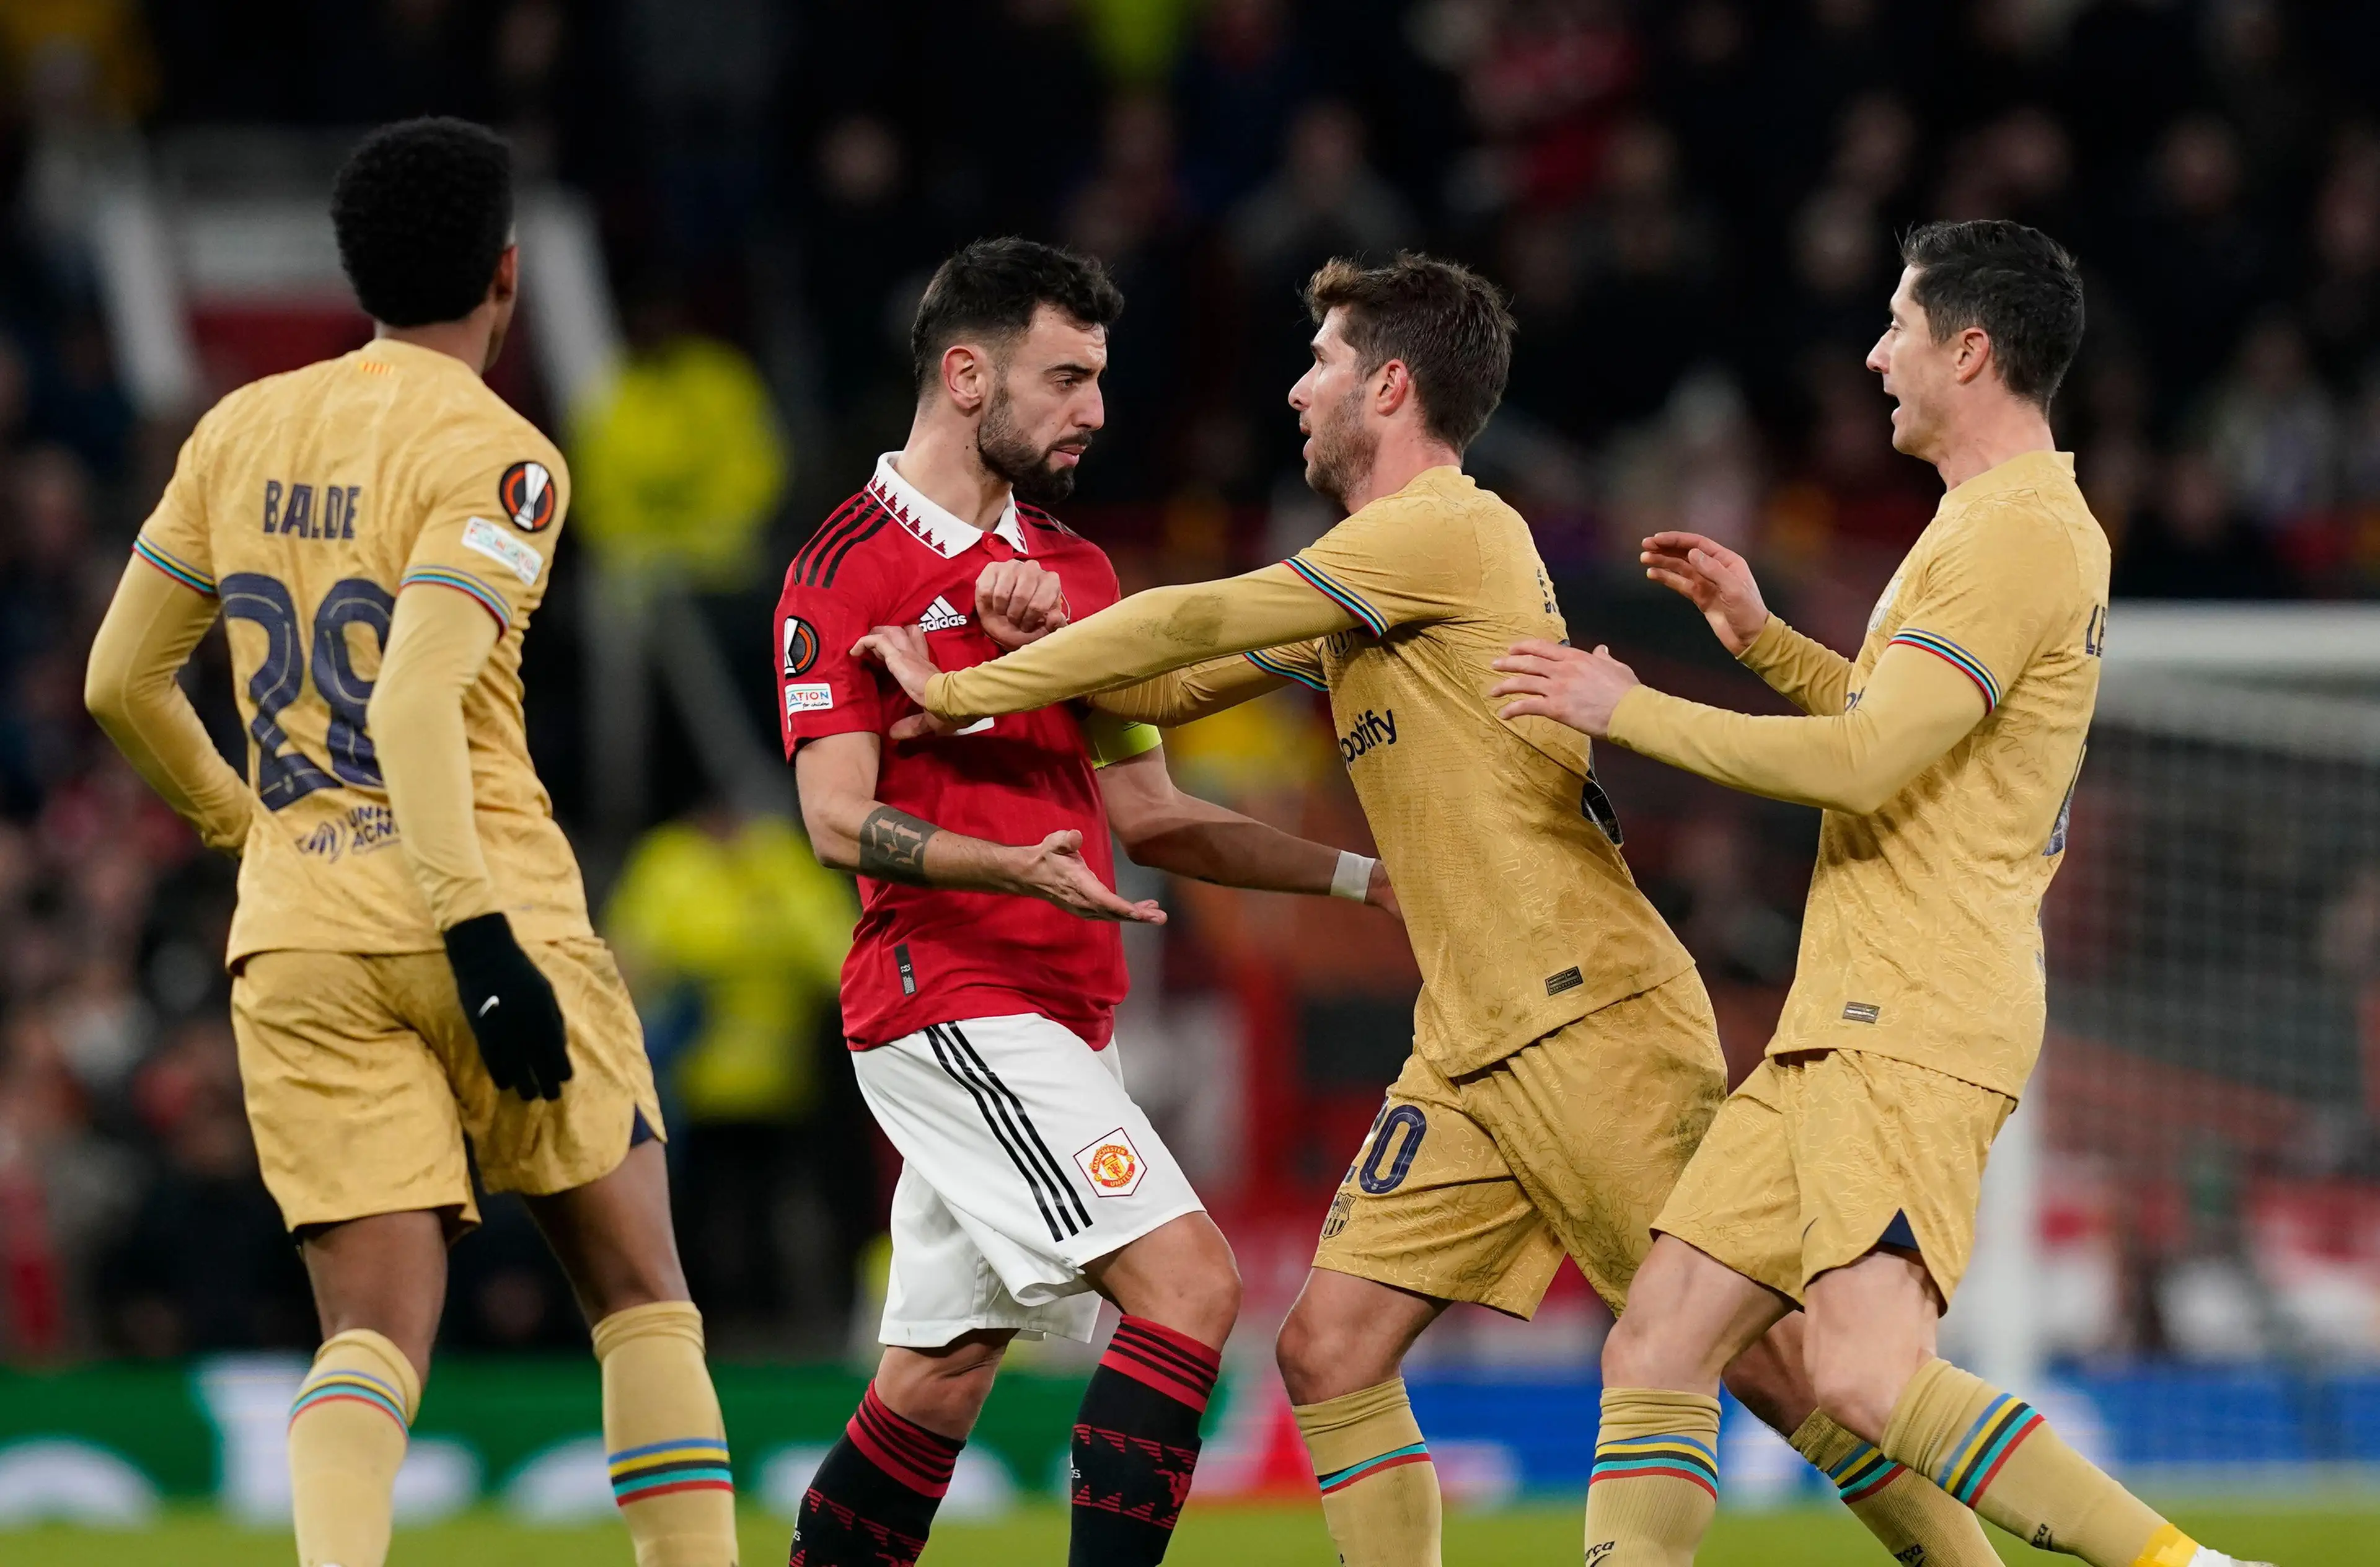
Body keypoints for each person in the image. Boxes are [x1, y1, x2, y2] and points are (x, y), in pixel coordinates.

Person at [858, 252, 1999, 1567]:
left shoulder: (1446, 530)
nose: (1297, 392)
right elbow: (1163, 690)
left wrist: (958, 691)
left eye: (1323, 364)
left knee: (1775, 1364)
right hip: (1468, 1044)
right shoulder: (1367, 579)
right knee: (1330, 1348)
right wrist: (1030, 638)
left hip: (1593, 1022)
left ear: (1391, 386)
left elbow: (1205, 614)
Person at [1484, 220, 2268, 1567]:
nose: (1873, 355)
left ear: (1969, 351)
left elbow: (1863, 763)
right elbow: (1899, 724)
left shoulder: (2019, 536)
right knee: (1661, 1339)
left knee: (1861, 1373)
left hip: (1915, 1010)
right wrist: (1767, 642)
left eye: (1897, 326)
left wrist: (1630, 708)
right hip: (1840, 1015)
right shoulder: (1985, 524)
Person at [83, 118, 736, 1567]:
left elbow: (120, 681)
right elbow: (418, 694)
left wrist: (246, 826)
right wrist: (480, 937)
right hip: (488, 908)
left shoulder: (239, 429)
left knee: (370, 1338)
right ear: (508, 275)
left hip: (303, 935)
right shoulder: (504, 457)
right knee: (641, 1294)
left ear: (355, 272)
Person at [777, 237, 1399, 1567]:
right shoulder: (844, 568)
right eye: (1066, 378)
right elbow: (833, 819)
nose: (1096, 411)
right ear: (967, 376)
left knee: (937, 1379)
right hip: (949, 997)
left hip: (1065, 1009)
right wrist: (1009, 865)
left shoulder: (1079, 575)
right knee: (1191, 1287)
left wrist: (1363, 878)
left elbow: (1154, 815)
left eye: (1099, 379)